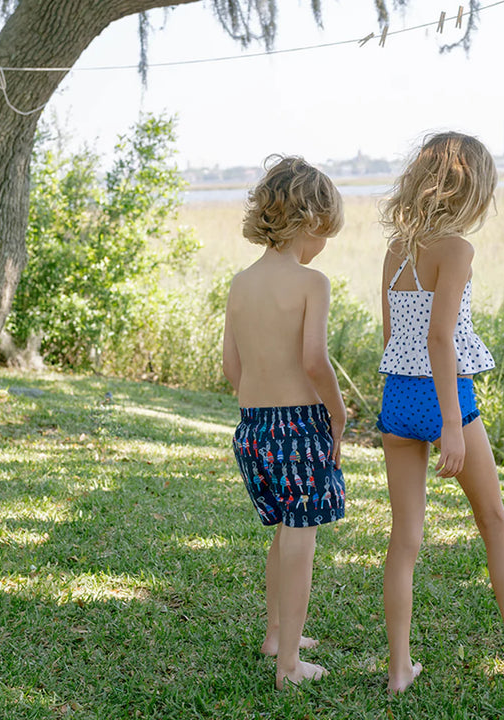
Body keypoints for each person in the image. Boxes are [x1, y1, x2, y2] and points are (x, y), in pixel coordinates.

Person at [377, 132, 504, 693]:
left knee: (404, 538)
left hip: (397, 399)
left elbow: (391, 335)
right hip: (443, 397)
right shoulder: (456, 249)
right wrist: (452, 424)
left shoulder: (397, 247)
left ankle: (399, 668)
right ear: (471, 187)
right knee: (494, 522)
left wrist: (400, 406)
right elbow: (439, 337)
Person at [222, 155, 347, 690]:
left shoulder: (239, 284)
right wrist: (337, 414)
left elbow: (232, 366)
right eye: (326, 233)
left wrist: (260, 400)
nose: (325, 244)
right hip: (299, 428)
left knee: (281, 533)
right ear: (311, 221)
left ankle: (277, 635)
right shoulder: (311, 283)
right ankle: (289, 665)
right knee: (300, 542)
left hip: (253, 430)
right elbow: (316, 362)